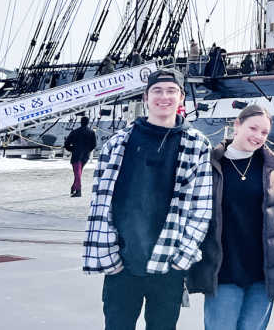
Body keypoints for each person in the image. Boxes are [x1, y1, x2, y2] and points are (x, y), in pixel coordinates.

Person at [83, 68, 213, 330]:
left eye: (171, 91)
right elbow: (101, 201)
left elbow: (202, 207)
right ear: (145, 97)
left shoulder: (197, 144)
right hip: (123, 262)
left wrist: (182, 259)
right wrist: (110, 255)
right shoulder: (118, 143)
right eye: (157, 90)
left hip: (169, 265)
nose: (163, 97)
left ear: (181, 99)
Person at [189, 103, 274, 330]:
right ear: (237, 125)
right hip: (224, 271)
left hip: (263, 273)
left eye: (264, 132)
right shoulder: (209, 166)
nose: (258, 136)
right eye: (253, 128)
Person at [64, 114, 98, 197]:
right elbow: (94, 145)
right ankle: (74, 187)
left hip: (76, 155)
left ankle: (78, 191)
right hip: (85, 155)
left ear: (81, 122)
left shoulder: (75, 132)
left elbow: (67, 144)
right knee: (79, 172)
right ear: (88, 123)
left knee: (77, 173)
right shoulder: (91, 132)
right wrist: (87, 150)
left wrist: (72, 149)